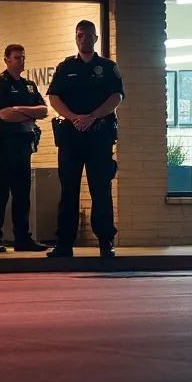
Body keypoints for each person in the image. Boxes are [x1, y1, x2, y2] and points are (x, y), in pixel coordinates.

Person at [45, 20, 124, 258]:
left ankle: (105, 242)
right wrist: (73, 118)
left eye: (88, 35)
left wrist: (91, 117)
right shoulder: (65, 67)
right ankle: (64, 244)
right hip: (71, 136)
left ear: (96, 38)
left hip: (99, 134)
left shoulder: (108, 67)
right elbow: (54, 97)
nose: (84, 39)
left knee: (100, 189)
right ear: (75, 37)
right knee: (68, 190)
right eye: (80, 35)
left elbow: (116, 97)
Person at [0, 44, 51, 253]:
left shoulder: (29, 86)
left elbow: (44, 111)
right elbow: (4, 114)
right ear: (7, 60)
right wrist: (29, 114)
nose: (21, 61)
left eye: (23, 57)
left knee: (22, 194)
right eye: (16, 58)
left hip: (24, 145)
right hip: (4, 145)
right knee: (0, 193)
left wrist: (21, 110)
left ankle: (23, 239)